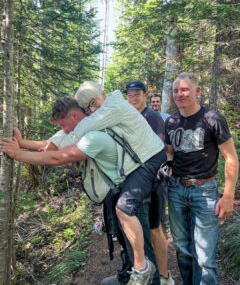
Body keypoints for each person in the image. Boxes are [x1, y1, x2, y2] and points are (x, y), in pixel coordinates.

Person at [1, 91, 167, 285]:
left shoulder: (94, 136)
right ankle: (126, 277)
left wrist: (19, 155)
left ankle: (149, 278)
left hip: (130, 190)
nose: (63, 130)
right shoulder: (81, 129)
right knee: (125, 243)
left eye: (63, 125)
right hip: (117, 191)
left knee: (140, 250)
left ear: (74, 116)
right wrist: (21, 144)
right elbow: (52, 145)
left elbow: (57, 157)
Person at [165, 72, 239, 285]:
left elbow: (230, 157)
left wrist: (227, 195)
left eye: (185, 89)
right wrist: (167, 166)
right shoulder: (171, 121)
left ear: (197, 91)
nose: (180, 94)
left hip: (204, 191)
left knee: (205, 257)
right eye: (176, 90)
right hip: (176, 189)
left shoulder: (212, 119)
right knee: (182, 248)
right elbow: (170, 151)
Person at [125, 81, 174, 285]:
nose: (133, 98)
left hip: (153, 181)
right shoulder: (131, 116)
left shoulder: (151, 116)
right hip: (139, 180)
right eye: (130, 94)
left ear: (145, 95)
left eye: (137, 94)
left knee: (155, 228)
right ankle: (149, 272)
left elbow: (158, 149)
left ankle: (163, 277)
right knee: (145, 228)